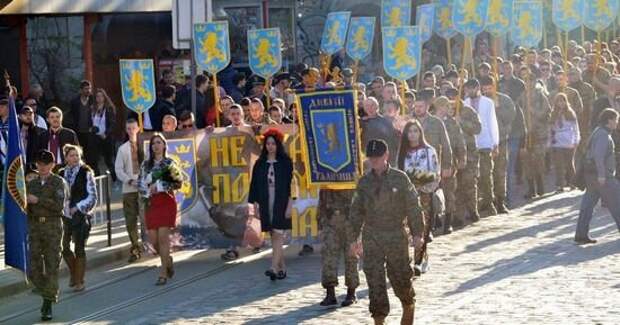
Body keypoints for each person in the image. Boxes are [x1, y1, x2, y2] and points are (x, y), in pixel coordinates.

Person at [347, 139, 425, 325]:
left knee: (401, 279)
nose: (374, 161)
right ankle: (379, 320)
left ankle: (408, 307)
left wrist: (417, 234)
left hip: (396, 235)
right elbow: (356, 212)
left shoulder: (400, 178)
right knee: (374, 281)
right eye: (371, 158)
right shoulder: (364, 182)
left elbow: (414, 207)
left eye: (378, 157)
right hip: (372, 235)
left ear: (386, 156)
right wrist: (353, 239)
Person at [26, 149, 67, 321]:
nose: (42, 167)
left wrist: (38, 200)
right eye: (39, 164)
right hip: (35, 226)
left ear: (52, 165)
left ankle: (47, 304)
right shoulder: (32, 184)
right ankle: (47, 291)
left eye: (46, 164)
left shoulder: (57, 182)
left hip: (52, 226)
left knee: (51, 265)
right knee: (32, 266)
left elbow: (59, 206)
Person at [248, 128, 294, 281]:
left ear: (278, 145)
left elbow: (292, 186)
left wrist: (290, 205)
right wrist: (254, 204)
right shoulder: (260, 164)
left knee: (279, 234)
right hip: (266, 201)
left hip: (281, 201)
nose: (270, 146)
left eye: (273, 143)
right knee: (273, 234)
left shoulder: (286, 163)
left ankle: (273, 268)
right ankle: (282, 268)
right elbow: (254, 185)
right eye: (268, 144)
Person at [138, 133, 183, 285]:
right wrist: (146, 191)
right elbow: (140, 184)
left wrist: (160, 186)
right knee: (154, 241)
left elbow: (178, 183)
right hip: (151, 204)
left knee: (163, 238)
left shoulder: (169, 163)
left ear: (164, 145)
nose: (156, 146)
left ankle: (163, 273)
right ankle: (167, 259)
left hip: (165, 202)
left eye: (158, 143)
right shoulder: (146, 165)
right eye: (153, 144)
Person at [397, 120, 440, 276]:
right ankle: (407, 259)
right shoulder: (402, 153)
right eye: (410, 131)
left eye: (416, 131)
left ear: (420, 133)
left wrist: (421, 183)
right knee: (407, 228)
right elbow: (401, 176)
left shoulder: (429, 151)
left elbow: (435, 174)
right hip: (407, 196)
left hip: (424, 195)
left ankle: (419, 261)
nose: (413, 134)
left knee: (422, 227)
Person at [575, 108, 620, 244]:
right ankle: (581, 235)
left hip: (591, 176)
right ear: (609, 120)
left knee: (587, 206)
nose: (617, 123)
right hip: (603, 177)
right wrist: (602, 175)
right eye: (616, 120)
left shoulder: (597, 131)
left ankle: (580, 235)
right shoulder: (603, 135)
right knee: (617, 203)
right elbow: (598, 156)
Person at [59, 144, 97, 292]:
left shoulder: (86, 172)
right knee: (64, 247)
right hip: (64, 216)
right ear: (66, 158)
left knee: (79, 247)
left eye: (77, 155)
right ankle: (74, 273)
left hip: (80, 215)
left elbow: (93, 196)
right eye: (71, 155)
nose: (74, 158)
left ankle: (79, 280)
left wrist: (78, 207)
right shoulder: (61, 173)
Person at [480, 76, 516, 213]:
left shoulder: (505, 100)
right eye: (485, 88)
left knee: (500, 172)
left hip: (500, 141)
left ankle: (500, 201)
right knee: (484, 173)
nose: (488, 91)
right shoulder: (479, 101)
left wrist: (497, 108)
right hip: (483, 143)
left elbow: (510, 117)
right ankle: (487, 201)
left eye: (490, 88)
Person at [464, 79, 499, 216]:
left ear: (478, 88)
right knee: (473, 177)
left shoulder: (488, 103)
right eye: (468, 88)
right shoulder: (464, 104)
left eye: (473, 88)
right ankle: (474, 207)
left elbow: (492, 122)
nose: (470, 91)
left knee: (486, 174)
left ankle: (489, 202)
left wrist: (495, 142)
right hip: (471, 144)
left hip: (485, 142)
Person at [433, 96, 466, 232]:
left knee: (449, 193)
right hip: (432, 163)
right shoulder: (430, 122)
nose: (449, 109)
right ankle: (434, 221)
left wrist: (462, 158)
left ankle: (448, 222)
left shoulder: (452, 123)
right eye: (447, 106)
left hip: (448, 162)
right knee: (432, 193)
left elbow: (460, 142)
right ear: (441, 107)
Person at [115, 118, 143, 263]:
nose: (132, 131)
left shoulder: (145, 145)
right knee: (131, 220)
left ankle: (151, 245)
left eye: (134, 128)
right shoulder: (123, 149)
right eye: (129, 129)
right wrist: (129, 180)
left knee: (146, 218)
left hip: (144, 187)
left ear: (138, 128)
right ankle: (135, 247)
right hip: (129, 189)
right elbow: (118, 169)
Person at [550, 93, 580, 192]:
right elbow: (551, 128)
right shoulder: (554, 113)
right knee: (558, 164)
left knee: (569, 163)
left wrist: (576, 139)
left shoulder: (570, 112)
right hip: (558, 140)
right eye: (558, 101)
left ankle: (573, 183)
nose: (560, 103)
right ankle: (560, 185)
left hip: (568, 139)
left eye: (562, 101)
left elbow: (576, 127)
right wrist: (551, 138)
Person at [87, 88, 117, 181]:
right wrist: (90, 128)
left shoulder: (109, 109)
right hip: (95, 137)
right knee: (94, 160)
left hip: (106, 137)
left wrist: (106, 133)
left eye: (101, 96)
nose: (99, 98)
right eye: (97, 96)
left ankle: (114, 179)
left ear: (105, 97)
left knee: (109, 161)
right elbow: (89, 122)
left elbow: (112, 124)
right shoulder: (92, 108)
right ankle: (98, 179)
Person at [18, 105, 46, 172]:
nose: (28, 116)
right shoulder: (15, 132)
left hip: (35, 168)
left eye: (30, 114)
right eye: (25, 114)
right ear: (20, 116)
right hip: (18, 165)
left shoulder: (41, 132)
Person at [67, 80, 94, 147]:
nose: (88, 90)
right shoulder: (75, 101)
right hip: (78, 131)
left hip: (89, 132)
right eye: (86, 89)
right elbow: (71, 115)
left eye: (89, 88)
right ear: (81, 90)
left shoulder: (93, 100)